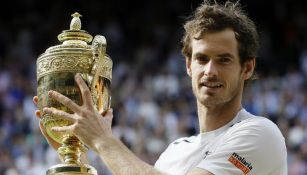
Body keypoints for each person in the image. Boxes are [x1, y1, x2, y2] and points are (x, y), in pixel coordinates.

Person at [33, 1, 287, 174]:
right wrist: (72, 153)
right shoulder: (175, 152)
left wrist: (102, 139)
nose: (210, 71)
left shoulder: (261, 134)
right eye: (202, 59)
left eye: (224, 59)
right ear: (189, 65)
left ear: (248, 68)